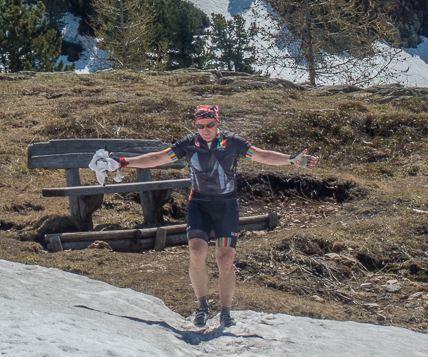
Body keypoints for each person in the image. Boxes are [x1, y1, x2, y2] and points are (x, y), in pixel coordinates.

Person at [114, 103, 317, 329]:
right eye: (201, 126)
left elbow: (261, 155)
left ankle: (226, 312)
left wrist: (290, 159)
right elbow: (157, 159)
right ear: (196, 125)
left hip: (226, 205)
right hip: (199, 204)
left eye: (210, 124)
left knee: (225, 258)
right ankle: (202, 306)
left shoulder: (232, 142)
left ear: (218, 123)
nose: (206, 129)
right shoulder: (188, 144)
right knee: (196, 251)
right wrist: (125, 162)